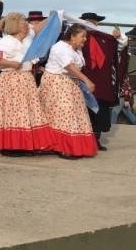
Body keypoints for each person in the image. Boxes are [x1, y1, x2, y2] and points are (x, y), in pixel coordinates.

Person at [0, 12, 52, 155]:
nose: (26, 25)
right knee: (13, 111)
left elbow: (36, 29)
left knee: (25, 112)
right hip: (12, 79)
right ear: (16, 26)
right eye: (23, 23)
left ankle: (23, 143)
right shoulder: (6, 42)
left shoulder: (26, 40)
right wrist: (11, 63)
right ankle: (10, 145)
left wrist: (53, 17)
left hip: (25, 78)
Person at [38, 24, 98, 159]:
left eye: (85, 36)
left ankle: (69, 146)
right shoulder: (60, 47)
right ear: (72, 36)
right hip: (57, 83)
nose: (85, 39)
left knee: (74, 114)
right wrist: (87, 80)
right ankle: (63, 147)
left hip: (70, 84)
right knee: (64, 114)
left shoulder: (76, 49)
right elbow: (70, 67)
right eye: (83, 36)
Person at [79, 12, 129, 151]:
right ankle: (84, 140)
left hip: (102, 83)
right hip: (83, 80)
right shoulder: (76, 37)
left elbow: (120, 48)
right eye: (88, 21)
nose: (91, 24)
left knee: (100, 111)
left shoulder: (105, 38)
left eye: (94, 22)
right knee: (85, 111)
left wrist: (120, 36)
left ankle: (96, 140)